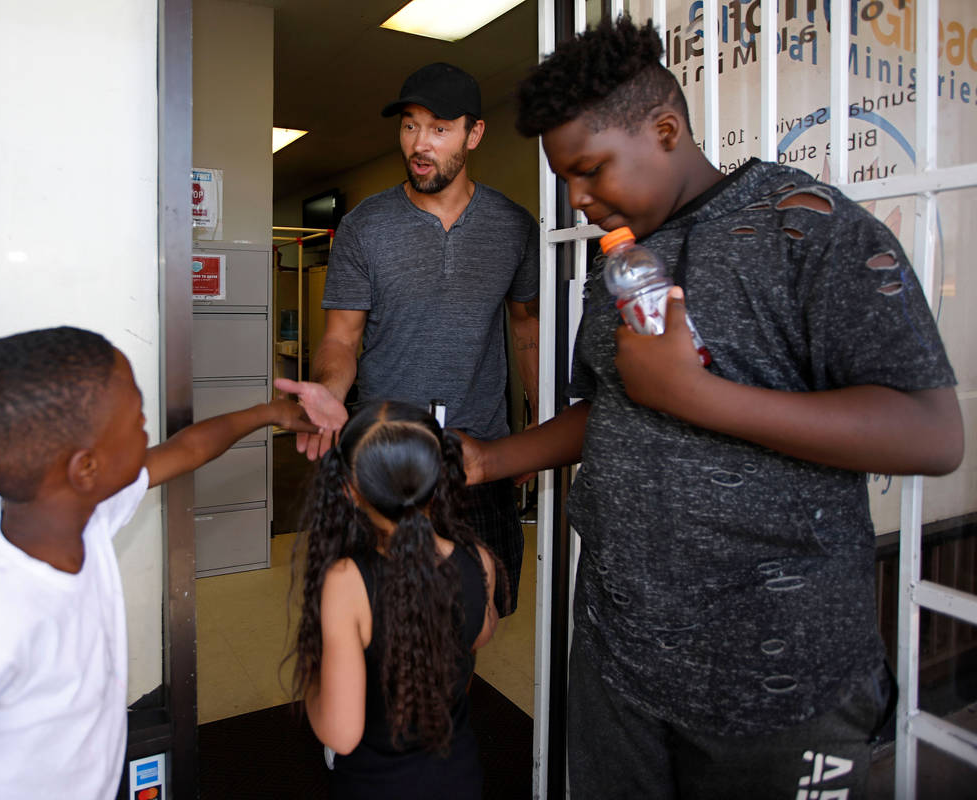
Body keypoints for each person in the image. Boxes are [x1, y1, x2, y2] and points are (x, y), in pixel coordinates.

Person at [460, 15, 964, 799]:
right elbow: (613, 411)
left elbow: (932, 432)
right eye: (566, 177)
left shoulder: (805, 228)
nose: (577, 198)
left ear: (665, 129)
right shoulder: (624, 260)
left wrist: (701, 397)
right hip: (620, 660)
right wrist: (490, 459)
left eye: (590, 170)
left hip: (779, 683)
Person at [0, 326, 316, 799]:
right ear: (85, 467)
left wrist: (268, 413)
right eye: (135, 414)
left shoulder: (75, 509)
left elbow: (186, 450)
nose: (145, 423)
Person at [288, 61, 540, 615]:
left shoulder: (514, 227)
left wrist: (541, 428)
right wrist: (328, 388)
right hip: (387, 456)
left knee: (478, 615)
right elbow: (340, 339)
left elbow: (526, 326)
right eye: (409, 125)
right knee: (383, 617)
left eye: (439, 128)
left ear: (474, 134)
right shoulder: (364, 228)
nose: (419, 144)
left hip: (482, 455)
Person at [290, 400, 503, 800]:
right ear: (440, 476)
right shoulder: (479, 560)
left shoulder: (347, 582)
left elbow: (341, 732)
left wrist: (314, 677)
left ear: (349, 491)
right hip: (459, 778)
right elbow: (477, 635)